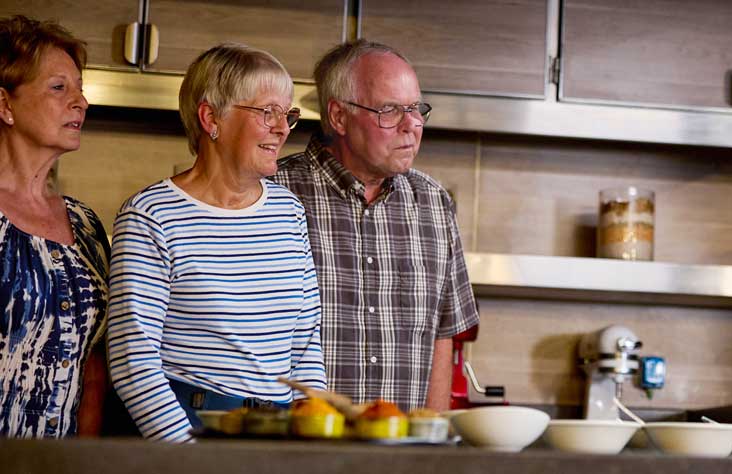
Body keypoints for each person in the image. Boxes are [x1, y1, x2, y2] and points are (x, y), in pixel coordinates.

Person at [106, 43, 325, 442]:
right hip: (191, 429)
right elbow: (132, 360)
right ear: (211, 118)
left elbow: (306, 341)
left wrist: (311, 437)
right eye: (267, 112)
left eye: (287, 114)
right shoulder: (152, 215)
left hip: (274, 434)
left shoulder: (288, 210)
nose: (282, 128)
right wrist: (188, 456)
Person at [272, 40, 478, 413]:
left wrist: (428, 443)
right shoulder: (272, 195)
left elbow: (442, 336)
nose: (412, 125)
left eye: (416, 109)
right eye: (390, 110)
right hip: (294, 453)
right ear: (338, 116)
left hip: (399, 454)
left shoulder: (433, 203)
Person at [0, 15, 108, 438]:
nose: (80, 101)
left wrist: (83, 458)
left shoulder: (85, 224)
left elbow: (93, 363)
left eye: (80, 88)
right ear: (5, 104)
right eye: (59, 87)